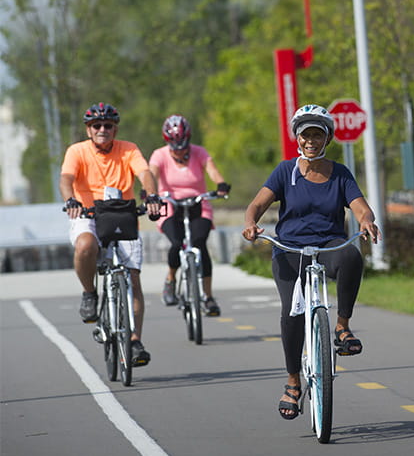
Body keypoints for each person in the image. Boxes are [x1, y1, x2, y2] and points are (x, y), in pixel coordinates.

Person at [242, 104, 381, 420]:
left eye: (318, 134)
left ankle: (342, 328)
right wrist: (251, 223)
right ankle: (293, 382)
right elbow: (257, 204)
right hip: (289, 249)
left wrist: (366, 221)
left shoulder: (341, 173)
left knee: (351, 257)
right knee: (292, 312)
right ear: (298, 137)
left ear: (327, 137)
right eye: (306, 134)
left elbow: (361, 207)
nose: (311, 140)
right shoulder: (284, 171)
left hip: (328, 243)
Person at [60, 102, 161, 366]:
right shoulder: (77, 151)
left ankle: (135, 340)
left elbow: (145, 173)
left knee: (133, 280)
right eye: (97, 125)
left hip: (121, 214)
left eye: (108, 125)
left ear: (115, 128)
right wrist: (71, 200)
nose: (102, 129)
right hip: (88, 215)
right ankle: (89, 293)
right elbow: (66, 179)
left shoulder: (129, 149)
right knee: (85, 246)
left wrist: (151, 195)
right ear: (89, 129)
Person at [148, 114, 230, 317]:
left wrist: (220, 184)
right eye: (175, 147)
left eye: (183, 145)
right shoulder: (159, 155)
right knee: (176, 243)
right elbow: (152, 174)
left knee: (200, 243)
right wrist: (149, 193)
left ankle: (208, 297)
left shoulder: (199, 152)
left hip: (197, 203)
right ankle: (170, 279)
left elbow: (212, 170)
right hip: (170, 205)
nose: (180, 151)